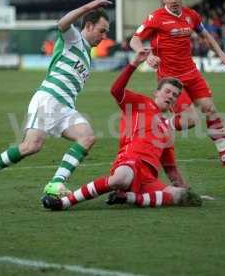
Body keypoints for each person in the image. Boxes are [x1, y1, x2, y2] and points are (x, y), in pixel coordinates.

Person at [0, 0, 112, 196]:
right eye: (102, 30)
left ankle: (55, 183)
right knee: (31, 146)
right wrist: (87, 7)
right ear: (89, 25)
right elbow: (62, 23)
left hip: (65, 107)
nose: (104, 36)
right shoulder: (73, 38)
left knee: (87, 137)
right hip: (48, 99)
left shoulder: (87, 55)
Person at [41, 50, 202, 211]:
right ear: (156, 93)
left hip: (148, 180)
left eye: (175, 95)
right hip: (130, 162)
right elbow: (116, 90)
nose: (171, 96)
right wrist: (134, 64)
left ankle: (130, 197)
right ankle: (64, 202)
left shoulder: (168, 130)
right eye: (167, 91)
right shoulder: (140, 103)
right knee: (121, 179)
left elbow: (170, 168)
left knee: (179, 195)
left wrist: (186, 191)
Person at [130, 0, 225, 167]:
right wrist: (146, 55)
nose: (173, 0)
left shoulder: (191, 15)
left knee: (211, 110)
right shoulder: (156, 18)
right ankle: (158, 126)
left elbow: (206, 36)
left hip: (191, 73)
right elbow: (135, 39)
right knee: (190, 120)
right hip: (170, 79)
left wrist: (222, 54)